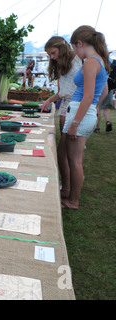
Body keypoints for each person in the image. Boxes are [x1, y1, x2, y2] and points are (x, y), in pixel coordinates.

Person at [61, 25, 110, 210]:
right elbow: (103, 91)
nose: (74, 52)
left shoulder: (90, 62)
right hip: (84, 111)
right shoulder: (99, 61)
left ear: (80, 43)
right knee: (75, 159)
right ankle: (70, 196)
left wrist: (75, 123)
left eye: (74, 47)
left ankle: (73, 201)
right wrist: (94, 108)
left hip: (79, 113)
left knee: (75, 161)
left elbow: (88, 95)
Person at [41, 37, 83, 199]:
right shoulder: (64, 63)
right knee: (66, 153)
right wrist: (51, 99)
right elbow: (64, 90)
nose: (52, 57)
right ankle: (67, 187)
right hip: (66, 106)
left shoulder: (78, 61)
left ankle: (68, 189)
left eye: (53, 53)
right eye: (50, 54)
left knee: (66, 152)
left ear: (62, 47)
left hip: (75, 107)